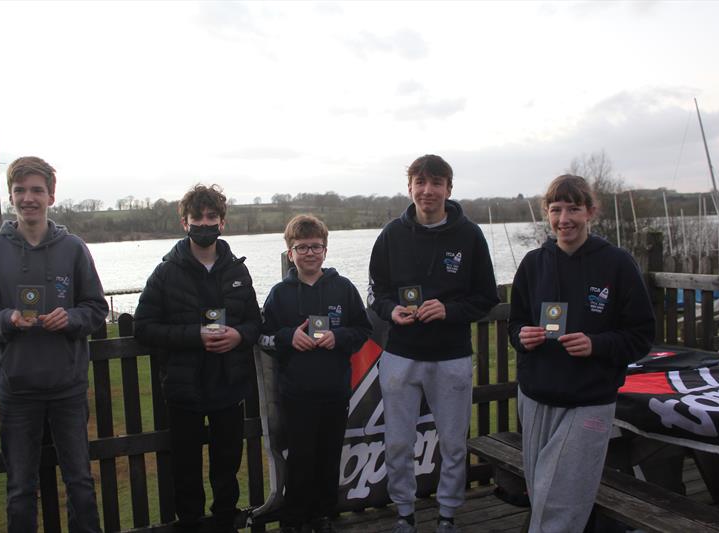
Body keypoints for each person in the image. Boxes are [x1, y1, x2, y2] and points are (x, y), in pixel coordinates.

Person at [0, 156, 108, 532]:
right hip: (18, 391)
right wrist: (6, 320)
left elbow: (96, 308)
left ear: (51, 196)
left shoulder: (74, 248)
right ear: (12, 196)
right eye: (20, 190)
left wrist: (71, 318)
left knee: (79, 484)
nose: (29, 198)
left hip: (68, 389)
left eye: (37, 190)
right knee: (20, 490)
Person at [508, 174, 655, 533]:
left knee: (562, 499)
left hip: (588, 399)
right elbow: (516, 325)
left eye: (573, 208)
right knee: (540, 490)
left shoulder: (617, 263)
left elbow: (640, 336)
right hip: (536, 397)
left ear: (590, 211)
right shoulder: (533, 263)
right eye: (556, 209)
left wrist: (596, 344)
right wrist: (521, 336)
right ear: (547, 213)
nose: (564, 219)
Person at [368, 154, 499, 533]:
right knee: (397, 443)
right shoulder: (391, 234)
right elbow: (376, 290)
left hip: (451, 356)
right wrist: (391, 310)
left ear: (448, 189)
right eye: (420, 182)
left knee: (454, 443)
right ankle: (405, 513)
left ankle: (447, 515)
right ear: (409, 188)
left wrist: (449, 310)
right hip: (400, 356)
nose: (428, 191)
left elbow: (486, 296)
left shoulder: (469, 235)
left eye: (436, 182)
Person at [133, 184, 261, 532]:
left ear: (223, 222)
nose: (204, 223)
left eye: (211, 217)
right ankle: (189, 524)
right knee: (186, 471)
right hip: (184, 388)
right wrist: (194, 336)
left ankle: (226, 523)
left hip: (228, 384)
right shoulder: (166, 272)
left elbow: (254, 322)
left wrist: (238, 335)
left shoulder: (237, 270)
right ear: (184, 222)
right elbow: (143, 328)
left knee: (226, 467)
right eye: (197, 218)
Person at [260, 215, 372, 533]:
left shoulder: (343, 288)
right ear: (290, 252)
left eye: (316, 246)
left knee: (328, 458)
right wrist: (287, 337)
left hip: (335, 392)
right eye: (302, 247)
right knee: (300, 460)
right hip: (296, 395)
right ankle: (294, 520)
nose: (309, 253)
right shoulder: (279, 294)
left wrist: (341, 338)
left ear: (325, 250)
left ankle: (323, 516)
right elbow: (263, 338)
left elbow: (362, 329)